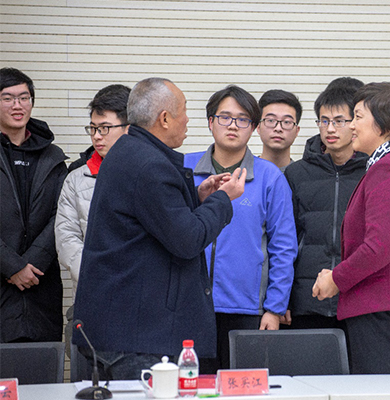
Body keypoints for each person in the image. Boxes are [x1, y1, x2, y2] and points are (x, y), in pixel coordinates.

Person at [73, 77, 246, 380]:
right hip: (139, 335)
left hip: (123, 328)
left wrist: (198, 197)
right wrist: (222, 200)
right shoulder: (150, 165)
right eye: (184, 110)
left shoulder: (129, 152)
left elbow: (153, 218)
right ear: (164, 119)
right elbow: (188, 239)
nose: (188, 119)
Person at [312, 82, 390, 374]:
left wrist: (336, 279)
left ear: (384, 125)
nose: (351, 125)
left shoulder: (389, 167)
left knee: (381, 390)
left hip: (383, 311)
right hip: (387, 309)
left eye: (358, 117)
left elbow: (377, 248)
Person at [184, 85, 296, 370]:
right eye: (225, 117)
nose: (233, 125)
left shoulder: (270, 177)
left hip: (248, 309)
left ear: (254, 128)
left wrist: (274, 308)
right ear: (210, 122)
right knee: (192, 386)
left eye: (243, 119)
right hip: (188, 307)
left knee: (244, 386)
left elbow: (283, 247)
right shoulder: (184, 169)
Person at [284, 79, 368, 330]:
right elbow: (285, 240)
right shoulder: (296, 174)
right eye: (324, 120)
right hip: (307, 299)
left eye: (339, 121)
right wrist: (282, 299)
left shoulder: (373, 171)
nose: (330, 129)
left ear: (355, 122)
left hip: (358, 299)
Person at [0, 67, 67, 343]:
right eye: (7, 98)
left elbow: (63, 215)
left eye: (24, 98)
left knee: (43, 363)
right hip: (3, 281)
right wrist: (12, 266)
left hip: (41, 282)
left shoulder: (53, 157)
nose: (17, 105)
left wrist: (32, 263)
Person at [55, 84, 131, 301]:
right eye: (93, 128)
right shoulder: (76, 179)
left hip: (140, 293)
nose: (97, 136)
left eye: (105, 128)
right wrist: (96, 274)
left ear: (129, 128)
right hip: (93, 292)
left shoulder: (152, 172)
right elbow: (67, 237)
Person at [257, 89, 301, 172]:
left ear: (297, 131)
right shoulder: (243, 173)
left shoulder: (302, 176)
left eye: (286, 122)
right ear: (258, 127)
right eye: (271, 120)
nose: (278, 128)